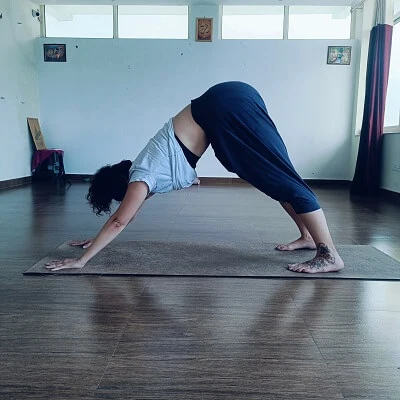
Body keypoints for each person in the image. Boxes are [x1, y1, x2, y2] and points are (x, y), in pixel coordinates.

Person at [46, 81, 344, 274]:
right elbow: (127, 216)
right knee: (273, 179)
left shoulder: (140, 178)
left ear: (123, 188)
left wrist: (81, 260)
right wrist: (97, 239)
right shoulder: (143, 169)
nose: (130, 201)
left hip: (224, 108)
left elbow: (120, 220)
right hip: (230, 99)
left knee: (284, 180)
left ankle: (329, 255)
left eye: (123, 198)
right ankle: (308, 237)